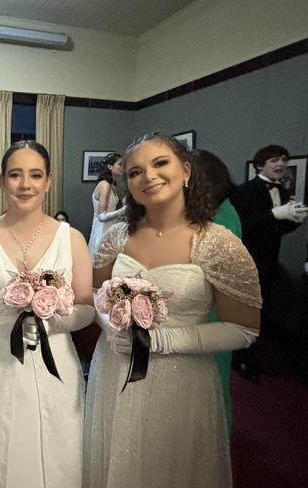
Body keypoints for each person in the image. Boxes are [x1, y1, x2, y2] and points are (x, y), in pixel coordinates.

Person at [84, 134, 262, 488]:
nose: (148, 176)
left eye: (160, 163)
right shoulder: (116, 236)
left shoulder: (218, 243)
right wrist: (109, 326)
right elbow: (94, 292)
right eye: (135, 171)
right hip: (115, 366)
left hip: (181, 376)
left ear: (186, 170)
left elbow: (244, 328)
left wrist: (164, 339)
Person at [0, 140, 95, 487]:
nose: (25, 184)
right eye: (15, 175)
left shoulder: (71, 238)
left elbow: (87, 308)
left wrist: (54, 319)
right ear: (2, 181)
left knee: (52, 452)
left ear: (48, 180)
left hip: (54, 368)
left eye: (35, 175)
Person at [230, 144, 308, 382]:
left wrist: (294, 220)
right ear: (260, 165)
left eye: (284, 159)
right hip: (246, 263)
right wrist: (274, 215)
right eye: (274, 160)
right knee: (243, 314)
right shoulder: (245, 192)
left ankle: (251, 355)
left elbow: (276, 230)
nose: (281, 164)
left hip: (269, 264)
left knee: (258, 315)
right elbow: (238, 228)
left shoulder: (282, 191)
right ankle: (240, 359)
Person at [191, 148, 242, 435]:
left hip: (209, 309)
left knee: (209, 376)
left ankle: (212, 435)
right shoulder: (217, 209)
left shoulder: (221, 218)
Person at [87, 152, 126, 257]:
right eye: (120, 164)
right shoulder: (105, 185)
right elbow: (102, 216)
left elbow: (111, 211)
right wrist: (124, 210)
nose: (123, 167)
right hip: (103, 230)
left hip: (111, 229)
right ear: (110, 166)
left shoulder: (113, 185)